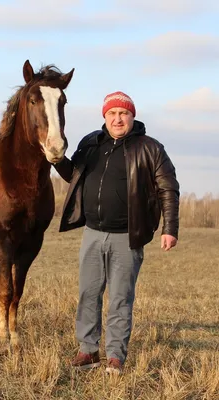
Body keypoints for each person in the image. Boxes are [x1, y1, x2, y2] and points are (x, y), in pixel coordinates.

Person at [53, 91, 179, 374]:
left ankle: (115, 356)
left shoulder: (150, 148)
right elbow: (73, 174)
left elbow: (168, 189)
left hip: (127, 237)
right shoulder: (90, 143)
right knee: (88, 293)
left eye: (123, 113)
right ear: (105, 117)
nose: (118, 118)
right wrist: (57, 159)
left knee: (121, 297)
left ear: (132, 116)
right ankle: (88, 351)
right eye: (112, 113)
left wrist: (169, 229)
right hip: (93, 233)